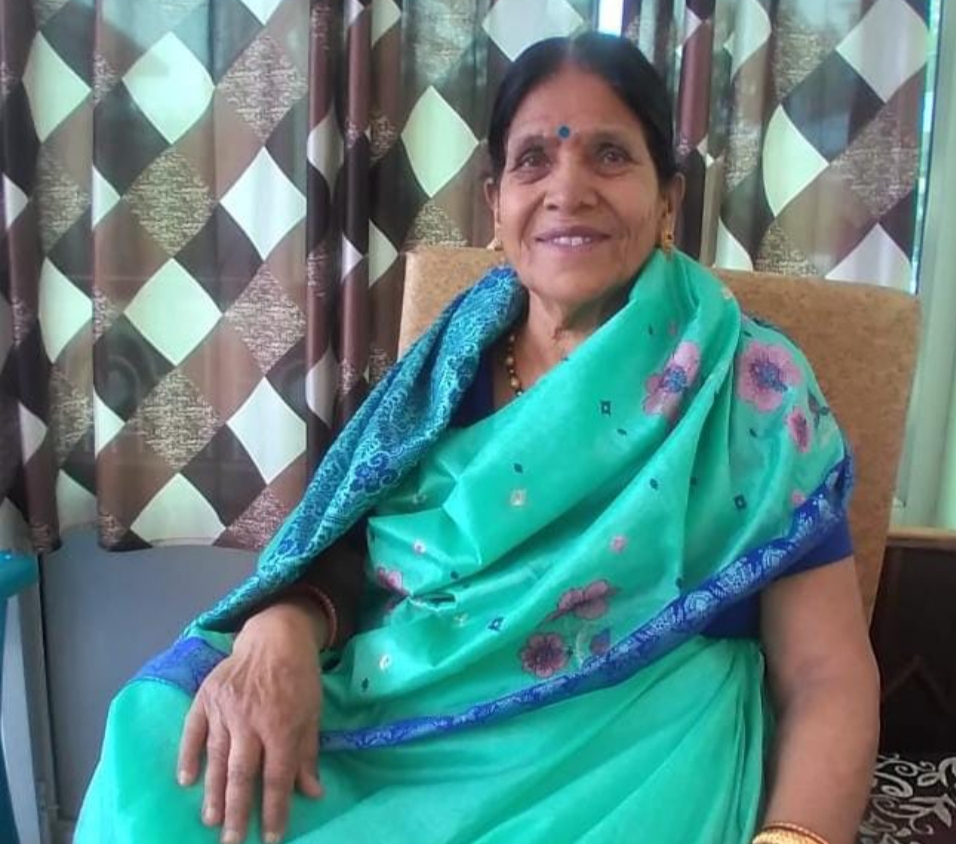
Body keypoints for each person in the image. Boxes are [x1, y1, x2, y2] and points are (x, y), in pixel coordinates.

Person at [76, 32, 879, 844]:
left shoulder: (749, 385)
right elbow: (340, 545)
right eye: (534, 160)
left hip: (627, 753)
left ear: (668, 197)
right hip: (410, 721)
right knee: (155, 748)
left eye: (609, 156)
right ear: (496, 204)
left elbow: (826, 675)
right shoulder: (447, 367)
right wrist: (279, 626)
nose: (568, 189)